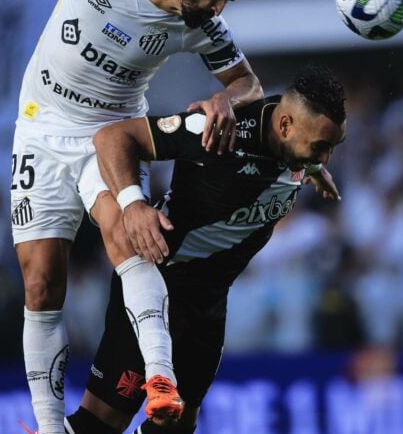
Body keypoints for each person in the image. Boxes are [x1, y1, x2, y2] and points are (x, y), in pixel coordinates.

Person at [68, 65, 346, 434]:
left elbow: (291, 150)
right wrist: (133, 203)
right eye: (320, 148)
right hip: (160, 286)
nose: (325, 158)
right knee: (101, 423)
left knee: (177, 426)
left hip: (210, 300)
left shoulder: (295, 139)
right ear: (285, 127)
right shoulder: (218, 132)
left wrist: (312, 168)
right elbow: (113, 138)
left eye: (330, 149)